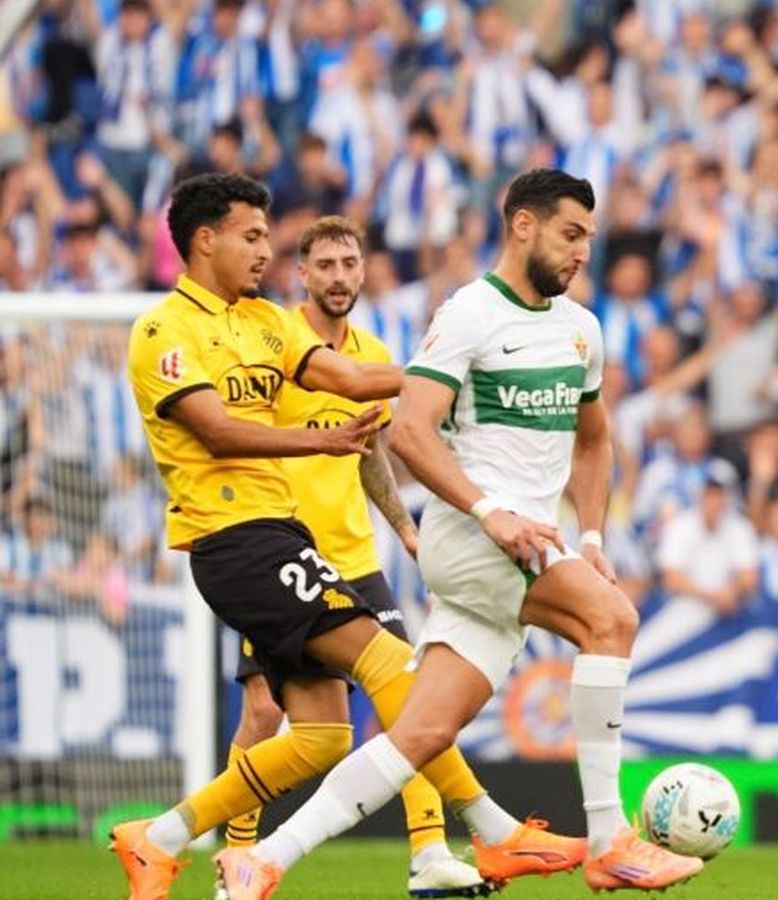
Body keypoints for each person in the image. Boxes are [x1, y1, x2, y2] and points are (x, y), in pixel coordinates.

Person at [216, 169, 704, 898]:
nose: (581, 254)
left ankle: (264, 860)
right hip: (476, 538)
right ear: (523, 226)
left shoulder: (581, 329)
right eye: (570, 235)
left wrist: (594, 537)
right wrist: (489, 511)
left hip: (521, 548)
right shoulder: (470, 314)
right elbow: (410, 430)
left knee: (418, 736)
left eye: (589, 240)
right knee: (614, 620)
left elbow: (594, 440)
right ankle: (610, 841)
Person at [111, 173, 566, 900]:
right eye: (252, 235)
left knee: (323, 736)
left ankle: (158, 838)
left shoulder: (265, 321)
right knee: (393, 668)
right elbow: (216, 429)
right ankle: (491, 831)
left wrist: (455, 371)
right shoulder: (164, 330)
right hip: (234, 540)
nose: (265, 249)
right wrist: (316, 446)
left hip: (286, 539)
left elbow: (353, 379)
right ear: (205, 240)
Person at [217, 215, 484, 897]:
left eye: (349, 263)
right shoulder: (273, 344)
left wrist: (404, 528)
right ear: (301, 274)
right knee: (266, 716)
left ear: (364, 271)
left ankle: (429, 851)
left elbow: (372, 455)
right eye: (325, 265)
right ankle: (234, 855)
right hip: (282, 558)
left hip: (356, 559)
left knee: (412, 698)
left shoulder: (367, 352)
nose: (339, 277)